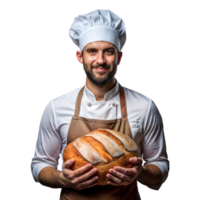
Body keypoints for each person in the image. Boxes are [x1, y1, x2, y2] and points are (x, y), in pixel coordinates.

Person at [29, 9, 170, 200]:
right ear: (79, 57)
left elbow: (161, 170)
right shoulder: (56, 107)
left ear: (120, 57)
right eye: (92, 51)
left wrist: (141, 173)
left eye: (108, 52)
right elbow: (39, 165)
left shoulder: (145, 106)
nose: (100, 60)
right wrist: (63, 179)